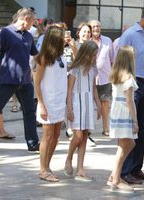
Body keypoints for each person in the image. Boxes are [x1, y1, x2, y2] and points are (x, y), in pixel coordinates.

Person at [116, 3, 144, 184]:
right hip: (131, 84)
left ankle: (136, 169)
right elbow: (118, 61)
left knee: (142, 128)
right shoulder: (128, 35)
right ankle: (124, 171)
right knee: (130, 128)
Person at [0, 8, 40, 152]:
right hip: (7, 81)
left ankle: (33, 144)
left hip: (26, 82)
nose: (34, 24)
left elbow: (37, 56)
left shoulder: (28, 36)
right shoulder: (5, 32)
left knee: (29, 112)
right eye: (33, 20)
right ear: (26, 19)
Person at [64, 40, 101, 181]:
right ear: (85, 54)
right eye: (92, 55)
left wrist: (97, 104)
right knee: (78, 136)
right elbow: (69, 90)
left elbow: (94, 88)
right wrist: (69, 108)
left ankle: (80, 169)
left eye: (95, 55)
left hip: (88, 104)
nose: (94, 58)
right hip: (76, 104)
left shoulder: (93, 69)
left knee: (85, 136)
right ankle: (69, 158)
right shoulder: (75, 69)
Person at [35, 26, 67, 182]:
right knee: (47, 136)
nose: (65, 38)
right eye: (62, 36)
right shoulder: (43, 58)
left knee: (56, 135)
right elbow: (37, 83)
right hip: (48, 102)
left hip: (60, 101)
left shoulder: (62, 56)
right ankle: (42, 170)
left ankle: (47, 166)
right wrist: (41, 104)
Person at [107, 45, 138, 193]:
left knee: (130, 143)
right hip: (125, 112)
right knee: (123, 146)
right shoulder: (129, 78)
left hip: (116, 111)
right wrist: (135, 121)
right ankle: (116, 179)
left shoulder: (116, 75)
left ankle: (114, 174)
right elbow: (129, 101)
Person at [88, 20, 114, 136]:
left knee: (105, 103)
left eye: (98, 26)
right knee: (88, 103)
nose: (96, 29)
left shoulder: (108, 41)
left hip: (105, 78)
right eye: (93, 27)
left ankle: (105, 128)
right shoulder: (86, 41)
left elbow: (113, 59)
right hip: (89, 78)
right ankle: (87, 128)